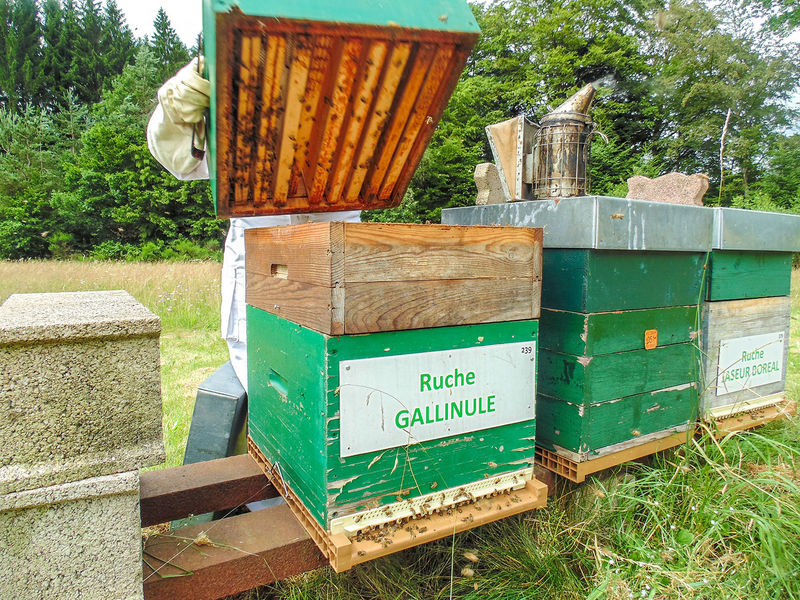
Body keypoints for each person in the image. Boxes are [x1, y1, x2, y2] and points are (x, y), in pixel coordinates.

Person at [147, 57, 359, 391]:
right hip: (259, 289)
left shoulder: (354, 98)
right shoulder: (238, 85)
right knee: (276, 404)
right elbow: (178, 159)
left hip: (342, 281)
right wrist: (177, 103)